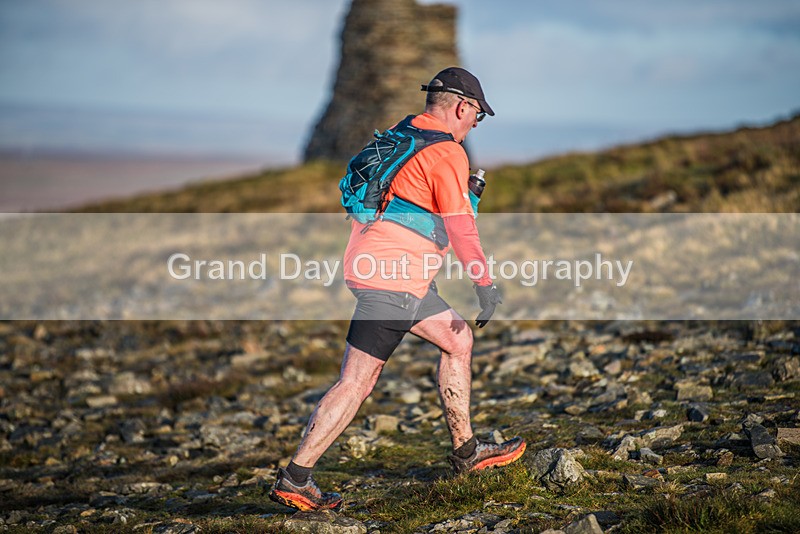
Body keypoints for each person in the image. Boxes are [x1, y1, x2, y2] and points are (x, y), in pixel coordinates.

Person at [269, 67, 526, 512]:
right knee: (357, 381)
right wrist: (484, 282)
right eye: (477, 117)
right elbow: (460, 227)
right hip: (394, 277)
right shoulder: (446, 154)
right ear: (463, 107)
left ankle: (468, 453)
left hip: (382, 268)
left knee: (457, 337)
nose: (474, 127)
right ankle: (296, 477)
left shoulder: (403, 133)